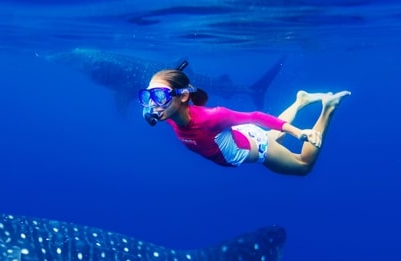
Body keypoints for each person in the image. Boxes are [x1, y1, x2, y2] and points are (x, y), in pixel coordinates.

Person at [139, 63, 350, 176]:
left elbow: (256, 117)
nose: (153, 104)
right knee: (270, 136)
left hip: (258, 147)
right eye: (147, 97)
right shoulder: (167, 114)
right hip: (244, 137)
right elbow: (152, 111)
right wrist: (157, 98)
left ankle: (328, 108)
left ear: (184, 96)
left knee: (302, 166)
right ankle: (301, 101)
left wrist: (299, 133)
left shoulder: (212, 117)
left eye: (159, 96)